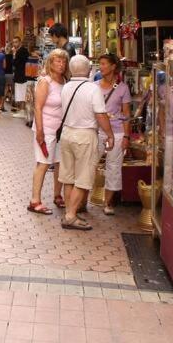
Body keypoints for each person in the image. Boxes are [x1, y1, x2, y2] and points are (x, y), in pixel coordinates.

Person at [58, 55, 115, 231]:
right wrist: (110, 134)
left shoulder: (66, 87)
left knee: (68, 177)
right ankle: (70, 216)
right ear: (89, 70)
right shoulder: (92, 88)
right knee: (83, 179)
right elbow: (100, 114)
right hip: (85, 135)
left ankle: (70, 211)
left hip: (67, 134)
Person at [28, 49, 70, 214]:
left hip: (60, 130)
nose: (61, 64)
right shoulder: (45, 81)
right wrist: (40, 131)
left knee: (59, 163)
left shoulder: (65, 80)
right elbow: (37, 107)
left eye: (64, 61)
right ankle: (35, 200)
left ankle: (57, 195)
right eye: (58, 61)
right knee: (43, 164)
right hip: (46, 129)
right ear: (50, 63)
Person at [97, 54, 132, 215]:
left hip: (117, 131)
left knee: (113, 167)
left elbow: (126, 114)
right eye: (100, 64)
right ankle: (82, 199)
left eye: (104, 64)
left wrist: (126, 136)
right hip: (97, 130)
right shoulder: (94, 86)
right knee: (89, 163)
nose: (101, 67)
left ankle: (108, 202)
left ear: (113, 67)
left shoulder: (123, 88)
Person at [12, 36, 30, 113]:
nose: (14, 44)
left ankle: (22, 110)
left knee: (21, 93)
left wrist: (14, 54)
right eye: (13, 42)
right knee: (20, 93)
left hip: (21, 76)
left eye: (16, 42)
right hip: (21, 75)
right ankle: (21, 109)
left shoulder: (20, 51)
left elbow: (15, 63)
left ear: (20, 42)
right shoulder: (22, 50)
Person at [3, 44, 15, 111]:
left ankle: (3, 103)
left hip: (5, 74)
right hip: (11, 74)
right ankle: (12, 104)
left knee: (6, 89)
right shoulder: (12, 57)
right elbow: (14, 67)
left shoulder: (3, 56)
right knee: (13, 90)